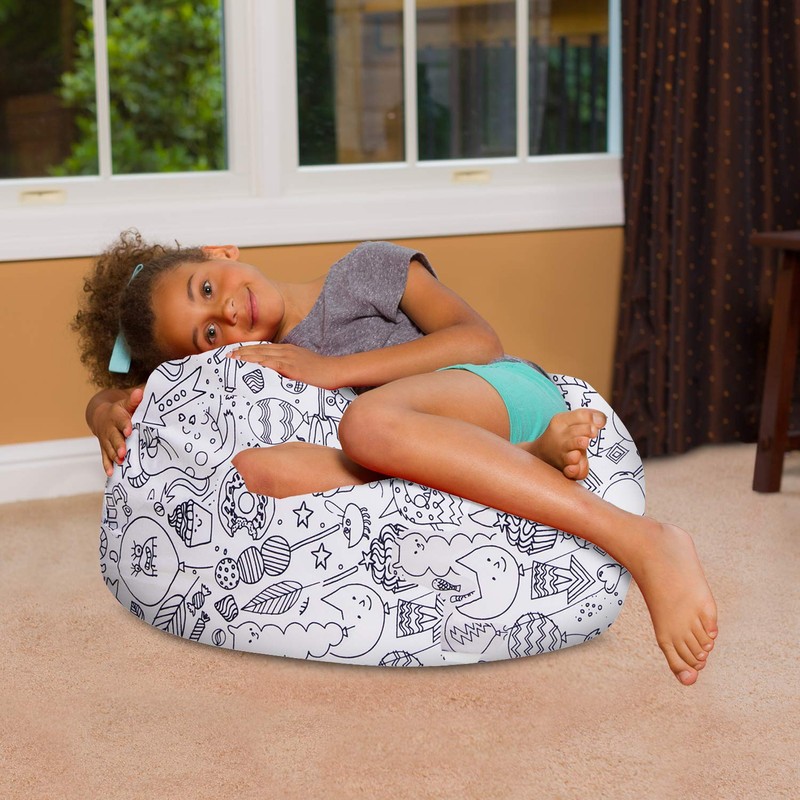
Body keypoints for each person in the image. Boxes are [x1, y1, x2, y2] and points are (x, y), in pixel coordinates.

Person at [75, 229, 718, 686]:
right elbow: (141, 396)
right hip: (418, 449)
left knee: (366, 423)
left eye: (208, 286)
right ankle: (526, 459)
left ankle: (642, 540)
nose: (226, 311)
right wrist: (102, 408)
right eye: (209, 334)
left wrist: (335, 371)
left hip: (502, 393)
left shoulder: (365, 270)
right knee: (263, 471)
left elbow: (480, 341)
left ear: (222, 252)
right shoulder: (257, 364)